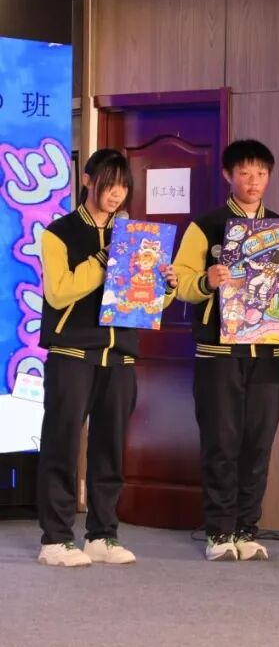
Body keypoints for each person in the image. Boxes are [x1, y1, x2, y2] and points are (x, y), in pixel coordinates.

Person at [174, 139, 279, 561]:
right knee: (221, 442)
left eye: (261, 174)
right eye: (244, 173)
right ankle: (219, 532)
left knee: (258, 443)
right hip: (218, 353)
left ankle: (246, 528)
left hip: (268, 353)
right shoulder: (206, 226)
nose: (253, 182)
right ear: (228, 175)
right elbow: (181, 284)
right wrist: (207, 280)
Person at [37, 149, 177, 567]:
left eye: (122, 187)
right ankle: (55, 539)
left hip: (120, 355)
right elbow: (58, 292)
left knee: (110, 448)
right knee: (62, 444)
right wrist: (104, 259)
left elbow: (149, 303)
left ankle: (102, 534)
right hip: (73, 352)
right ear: (87, 180)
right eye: (108, 184)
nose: (116, 194)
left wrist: (165, 284)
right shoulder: (59, 233)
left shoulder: (136, 236)